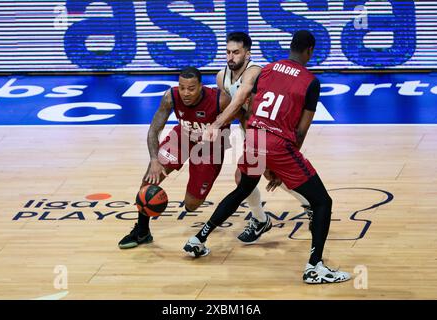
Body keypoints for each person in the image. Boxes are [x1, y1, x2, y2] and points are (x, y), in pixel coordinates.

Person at [183, 30, 351, 284]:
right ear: (310, 51)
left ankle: (199, 238)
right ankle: (315, 267)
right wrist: (278, 165)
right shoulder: (310, 81)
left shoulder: (267, 70)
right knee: (322, 202)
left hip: (254, 137)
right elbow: (301, 131)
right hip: (278, 144)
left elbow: (247, 107)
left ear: (290, 47)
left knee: (243, 189)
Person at [118, 66, 231, 250]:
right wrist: (154, 159)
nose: (186, 93)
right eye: (182, 87)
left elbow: (245, 121)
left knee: (191, 205)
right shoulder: (171, 96)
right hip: (182, 138)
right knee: (147, 182)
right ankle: (142, 231)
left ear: (201, 86)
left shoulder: (221, 100)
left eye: (191, 88)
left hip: (210, 149)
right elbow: (154, 129)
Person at [218, 32, 313, 244]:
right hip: (252, 130)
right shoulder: (221, 76)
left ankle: (303, 205)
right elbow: (235, 109)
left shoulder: (256, 73)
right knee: (252, 176)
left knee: (269, 174)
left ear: (247, 54)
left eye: (236, 52)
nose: (230, 57)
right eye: (228, 52)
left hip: (272, 130)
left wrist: (218, 125)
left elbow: (244, 102)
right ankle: (266, 218)